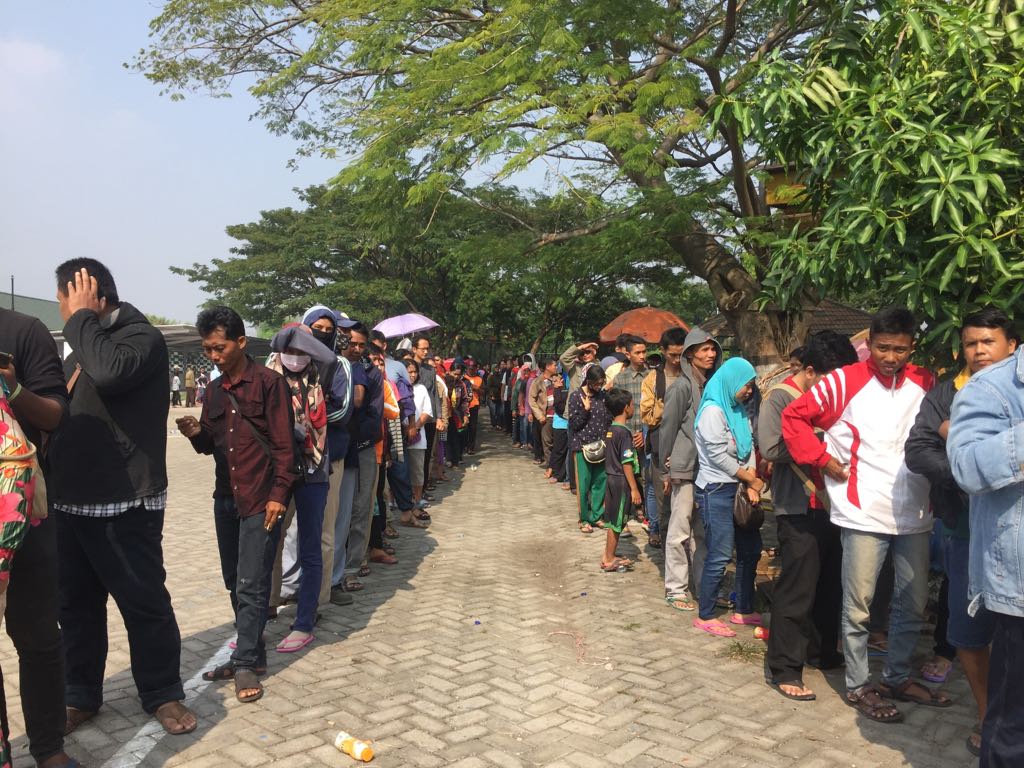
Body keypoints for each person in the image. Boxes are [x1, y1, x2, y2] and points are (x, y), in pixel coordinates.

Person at [48, 259, 196, 736]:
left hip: (126, 500)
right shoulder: (79, 344)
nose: (61, 307)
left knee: (144, 602)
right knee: (75, 606)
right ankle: (80, 694)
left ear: (91, 294)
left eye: (64, 297)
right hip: (71, 500)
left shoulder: (139, 338)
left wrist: (80, 319)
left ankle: (162, 692)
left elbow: (109, 373)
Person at [783, 306, 945, 724]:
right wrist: (822, 459)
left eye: (900, 350)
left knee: (911, 604)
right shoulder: (843, 381)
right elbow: (793, 417)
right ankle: (858, 684)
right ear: (869, 342)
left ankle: (897, 676)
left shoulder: (927, 382)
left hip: (915, 512)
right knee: (858, 607)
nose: (891, 357)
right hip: (861, 511)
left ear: (912, 348)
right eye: (882, 347)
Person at [177, 307, 296, 704]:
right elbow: (211, 445)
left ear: (241, 342)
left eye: (220, 347)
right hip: (225, 497)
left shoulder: (269, 384)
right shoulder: (213, 390)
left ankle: (244, 661)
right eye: (208, 349)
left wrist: (279, 494)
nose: (214, 355)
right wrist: (197, 433)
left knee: (252, 582)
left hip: (262, 499)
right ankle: (253, 652)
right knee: (234, 579)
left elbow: (284, 446)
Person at [760, 331, 858, 700]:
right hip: (798, 504)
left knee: (830, 584)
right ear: (813, 371)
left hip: (834, 503)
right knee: (797, 588)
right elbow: (770, 446)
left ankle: (821, 652)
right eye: (832, 379)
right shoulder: (780, 398)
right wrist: (820, 439)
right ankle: (785, 667)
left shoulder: (833, 397)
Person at [0, 306, 75, 768]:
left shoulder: (22, 331)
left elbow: (54, 416)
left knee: (37, 636)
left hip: (22, 513)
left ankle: (48, 746)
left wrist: (12, 385)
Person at [948, 327, 1024, 767]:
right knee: (1014, 728)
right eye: (970, 342)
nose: (978, 350)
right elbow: (964, 466)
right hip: (1015, 588)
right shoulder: (991, 389)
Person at [265, 322, 345, 653]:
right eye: (291, 349)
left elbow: (327, 355)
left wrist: (307, 339)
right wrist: (289, 336)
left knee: (311, 548)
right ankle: (260, 614)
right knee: (268, 543)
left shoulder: (320, 373)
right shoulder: (266, 377)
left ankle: (304, 622)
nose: (297, 357)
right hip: (277, 472)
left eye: (303, 350)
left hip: (313, 469)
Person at [692, 357, 765, 638]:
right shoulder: (713, 411)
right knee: (721, 553)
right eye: (746, 385)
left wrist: (752, 485)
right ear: (732, 382)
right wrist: (749, 479)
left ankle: (744, 608)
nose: (749, 390)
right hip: (716, 490)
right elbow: (718, 456)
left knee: (750, 549)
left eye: (751, 386)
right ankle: (706, 614)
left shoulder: (738, 410)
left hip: (740, 488)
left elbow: (749, 449)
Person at [658, 327, 722, 611]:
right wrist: (664, 470)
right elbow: (667, 430)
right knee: (679, 530)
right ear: (690, 354)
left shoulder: (711, 386)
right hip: (683, 470)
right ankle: (675, 588)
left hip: (708, 471)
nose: (710, 354)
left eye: (713, 349)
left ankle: (702, 587)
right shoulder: (681, 387)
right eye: (704, 349)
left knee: (703, 534)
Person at [331, 322, 382, 603]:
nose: (357, 349)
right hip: (335, 448)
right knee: (335, 513)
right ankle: (331, 571)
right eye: (352, 343)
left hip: (361, 447)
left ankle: (351, 567)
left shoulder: (370, 373)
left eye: (362, 345)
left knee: (361, 509)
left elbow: (369, 410)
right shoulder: (330, 368)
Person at [641, 327, 689, 542]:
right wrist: (668, 406)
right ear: (662, 351)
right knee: (664, 498)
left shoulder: (692, 376)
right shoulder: (653, 379)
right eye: (673, 355)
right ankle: (661, 534)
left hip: (688, 448)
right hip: (662, 447)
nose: (677, 359)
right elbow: (647, 417)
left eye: (682, 354)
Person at [601, 388, 643, 571]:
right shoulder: (624, 433)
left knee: (612, 520)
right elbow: (626, 462)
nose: (634, 408)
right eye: (633, 404)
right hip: (621, 481)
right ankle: (609, 558)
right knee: (618, 522)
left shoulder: (611, 430)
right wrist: (634, 488)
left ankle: (607, 554)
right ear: (626, 408)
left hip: (610, 478)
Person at [568, 365, 612, 534]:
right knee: (584, 484)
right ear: (589, 381)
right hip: (582, 446)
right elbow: (574, 424)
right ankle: (584, 518)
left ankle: (597, 516)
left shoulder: (603, 396)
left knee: (600, 482)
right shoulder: (576, 396)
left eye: (602, 383)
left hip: (601, 446)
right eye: (597, 383)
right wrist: (585, 410)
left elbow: (607, 418)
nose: (599, 386)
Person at [405, 360, 434, 510]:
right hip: (400, 436)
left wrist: (414, 427)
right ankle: (395, 499)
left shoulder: (421, 388)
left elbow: (427, 412)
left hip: (418, 437)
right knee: (400, 471)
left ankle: (417, 498)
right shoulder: (398, 387)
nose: (412, 374)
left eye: (415, 371)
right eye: (409, 371)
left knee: (417, 470)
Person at [528, 357, 558, 466]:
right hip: (546, 417)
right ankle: (550, 466)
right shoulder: (537, 381)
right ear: (547, 367)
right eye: (554, 365)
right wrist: (539, 415)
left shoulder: (558, 379)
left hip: (558, 416)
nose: (556, 367)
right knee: (547, 443)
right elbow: (531, 399)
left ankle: (557, 467)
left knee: (558, 443)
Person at [463, 357, 483, 455]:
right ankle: (463, 446)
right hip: (463, 405)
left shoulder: (479, 379)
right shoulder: (463, 378)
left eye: (473, 368)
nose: (471, 370)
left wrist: (476, 388)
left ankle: (471, 447)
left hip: (474, 405)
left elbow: (483, 392)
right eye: (470, 368)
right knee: (463, 426)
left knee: (473, 427)